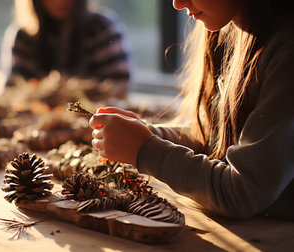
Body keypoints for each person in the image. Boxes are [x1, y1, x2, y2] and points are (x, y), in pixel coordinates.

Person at [90, 0, 294, 219]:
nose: (177, 4)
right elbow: (212, 140)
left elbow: (242, 193)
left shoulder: (286, 53)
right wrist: (146, 134)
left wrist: (145, 150)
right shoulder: (229, 29)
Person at [0, 0, 131, 94]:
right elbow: (12, 89)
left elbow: (119, 84)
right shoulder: (22, 36)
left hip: (93, 119)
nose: (61, 1)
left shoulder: (101, 28)